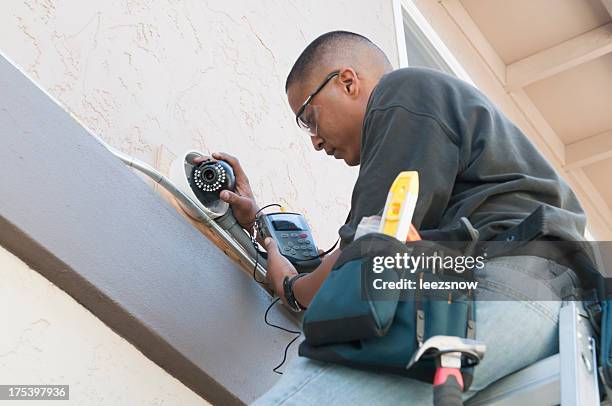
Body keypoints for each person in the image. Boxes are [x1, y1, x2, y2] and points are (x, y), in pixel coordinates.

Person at [204, 31, 585, 405]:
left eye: (308, 117)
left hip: (504, 283)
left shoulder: (401, 92)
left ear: (347, 82)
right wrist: (259, 223)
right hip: (551, 319)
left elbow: (365, 251)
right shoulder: (439, 123)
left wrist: (290, 287)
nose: (314, 140)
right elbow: (360, 250)